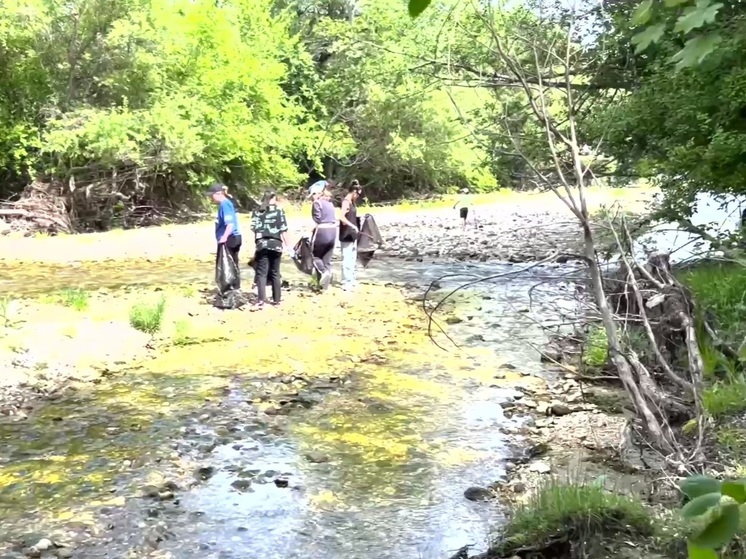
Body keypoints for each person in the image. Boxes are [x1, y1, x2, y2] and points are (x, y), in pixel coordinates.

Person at [250, 190, 291, 309]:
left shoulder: (257, 211)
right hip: (276, 244)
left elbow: (254, 229)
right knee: (275, 272)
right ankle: (276, 300)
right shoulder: (279, 211)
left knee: (261, 273)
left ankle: (261, 300)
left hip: (262, 244)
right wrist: (289, 246)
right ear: (273, 199)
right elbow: (283, 229)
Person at [207, 182, 242, 289]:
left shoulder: (224, 204)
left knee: (229, 265)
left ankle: (231, 288)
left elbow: (230, 223)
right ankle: (234, 287)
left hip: (230, 239)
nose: (210, 199)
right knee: (232, 264)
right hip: (233, 237)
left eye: (211, 196)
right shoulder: (225, 204)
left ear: (218, 194)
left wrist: (224, 237)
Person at [308, 180, 336, 290]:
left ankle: (324, 273)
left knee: (314, 256)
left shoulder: (317, 203)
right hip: (333, 231)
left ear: (317, 193)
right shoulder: (330, 203)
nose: (311, 198)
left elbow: (317, 220)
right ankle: (325, 287)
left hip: (322, 232)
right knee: (327, 259)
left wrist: (308, 232)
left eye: (312, 195)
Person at [339, 180, 362, 291]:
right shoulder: (346, 202)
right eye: (357, 194)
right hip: (346, 235)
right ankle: (346, 281)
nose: (357, 197)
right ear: (354, 192)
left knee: (352, 258)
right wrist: (352, 225)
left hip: (353, 235)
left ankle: (351, 279)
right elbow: (342, 218)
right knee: (347, 258)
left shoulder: (352, 203)